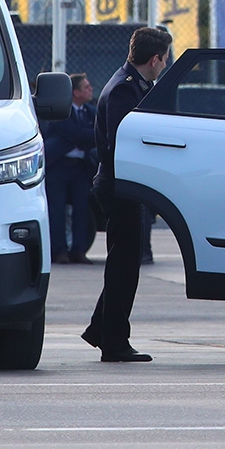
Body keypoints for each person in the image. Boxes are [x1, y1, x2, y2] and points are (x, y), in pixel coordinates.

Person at [81, 27, 173, 363]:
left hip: (125, 184)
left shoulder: (132, 84)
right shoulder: (124, 88)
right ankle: (115, 342)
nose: (165, 65)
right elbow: (122, 143)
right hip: (121, 186)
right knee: (124, 266)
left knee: (124, 261)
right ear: (155, 59)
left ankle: (100, 330)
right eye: (165, 59)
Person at [43, 73, 97, 265]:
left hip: (80, 168)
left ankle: (78, 250)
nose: (90, 90)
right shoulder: (60, 112)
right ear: (75, 92)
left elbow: (97, 134)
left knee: (81, 210)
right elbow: (73, 132)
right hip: (59, 166)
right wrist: (83, 137)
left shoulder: (90, 112)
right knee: (57, 210)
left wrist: (81, 137)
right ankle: (59, 251)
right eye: (86, 87)